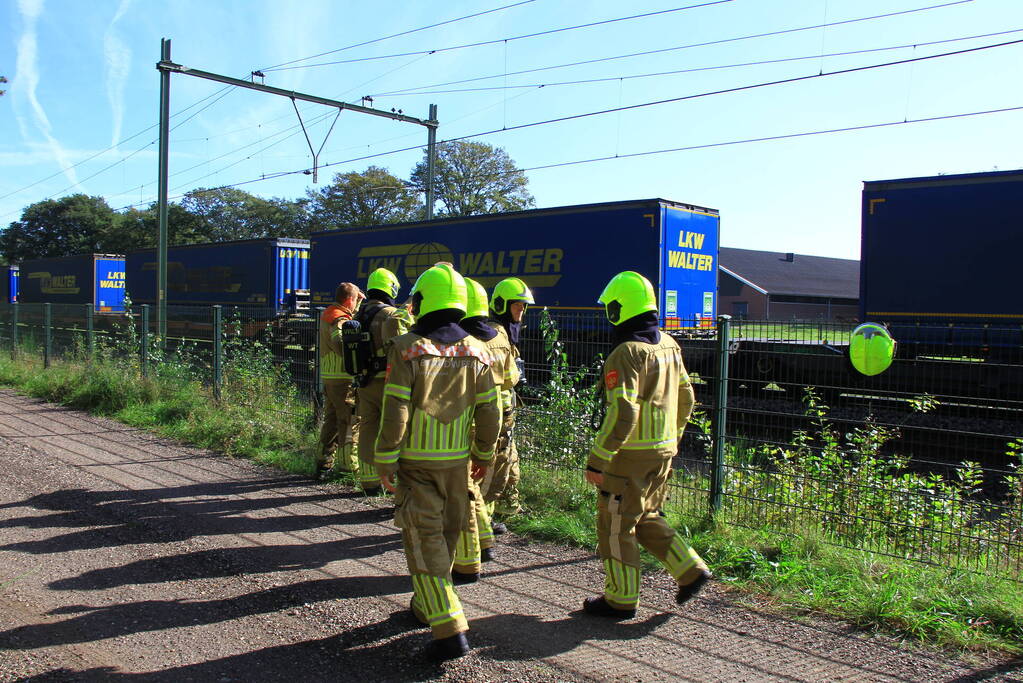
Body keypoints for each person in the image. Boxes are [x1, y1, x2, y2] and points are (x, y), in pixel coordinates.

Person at [375, 263, 501, 662]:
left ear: (423, 302)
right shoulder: (479, 351)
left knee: (422, 540)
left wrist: (385, 458)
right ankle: (423, 605)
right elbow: (490, 411)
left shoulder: (408, 348)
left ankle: (449, 628)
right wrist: (484, 454)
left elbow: (396, 410)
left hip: (416, 464)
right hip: (457, 464)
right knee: (446, 536)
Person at [582, 271, 711, 619]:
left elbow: (623, 411)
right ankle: (691, 569)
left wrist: (598, 459)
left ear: (618, 309)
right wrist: (674, 437)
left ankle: (620, 599)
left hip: (628, 457)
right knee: (646, 516)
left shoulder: (626, 353)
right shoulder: (669, 344)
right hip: (664, 450)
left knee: (616, 525)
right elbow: (687, 397)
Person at [452, 278, 516, 579]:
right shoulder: (501, 335)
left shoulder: (461, 341)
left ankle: (479, 539)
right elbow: (512, 377)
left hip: (471, 413)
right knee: (494, 465)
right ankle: (487, 531)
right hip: (502, 410)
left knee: (467, 477)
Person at [481, 276, 533, 533]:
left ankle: (504, 508)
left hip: (505, 408)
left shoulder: (506, 332)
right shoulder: (498, 334)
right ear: (502, 305)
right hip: (496, 408)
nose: (521, 312)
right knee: (494, 461)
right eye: (517, 306)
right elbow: (506, 376)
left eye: (524, 306)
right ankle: (483, 518)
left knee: (507, 458)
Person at [354, 267, 409, 495]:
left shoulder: (358, 314)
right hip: (387, 381)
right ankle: (392, 480)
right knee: (394, 428)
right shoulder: (390, 314)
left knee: (368, 427)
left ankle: (369, 483)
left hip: (363, 380)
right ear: (391, 288)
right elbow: (402, 346)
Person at [316, 282, 364, 479]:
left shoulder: (329, 313)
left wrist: (358, 303)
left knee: (332, 420)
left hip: (329, 377)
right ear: (349, 300)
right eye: (356, 300)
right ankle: (347, 467)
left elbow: (349, 315)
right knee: (349, 422)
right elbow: (339, 340)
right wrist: (350, 359)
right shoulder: (340, 318)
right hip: (343, 378)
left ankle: (323, 464)